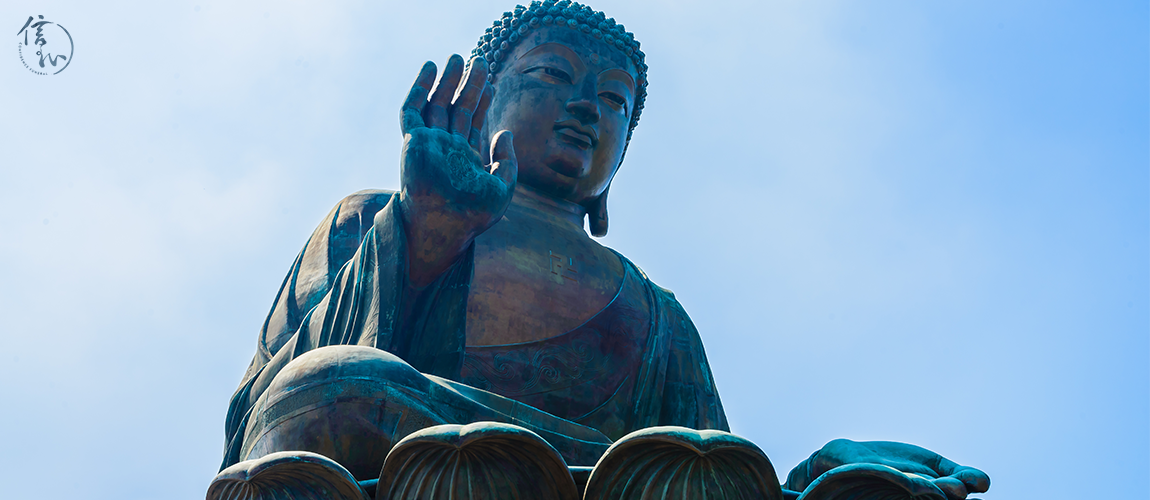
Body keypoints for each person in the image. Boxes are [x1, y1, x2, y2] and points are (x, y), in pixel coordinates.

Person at [217, 2, 989, 498]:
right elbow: (269, 414)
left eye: (615, 100)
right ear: (484, 100)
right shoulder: (378, 215)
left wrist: (824, 478)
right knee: (327, 386)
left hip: (614, 483)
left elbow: (703, 463)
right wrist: (430, 229)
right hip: (410, 453)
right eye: (553, 75)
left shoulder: (658, 316)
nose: (588, 106)